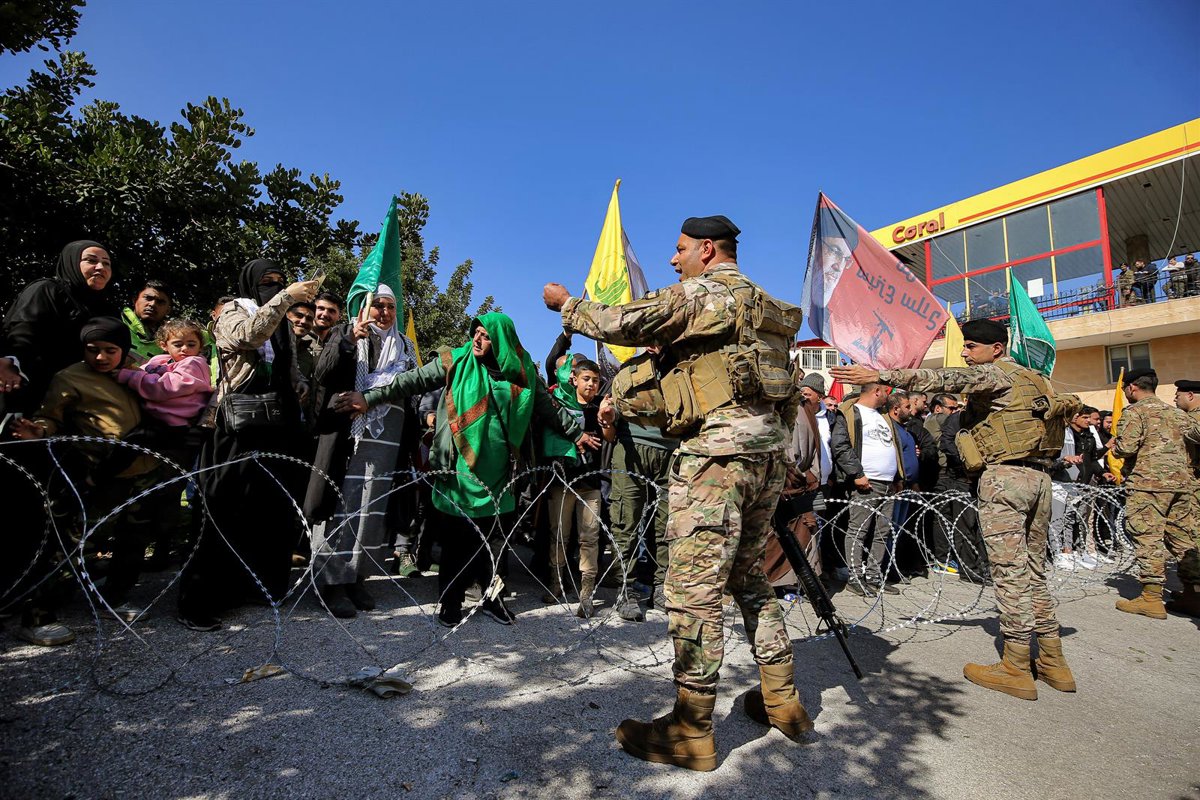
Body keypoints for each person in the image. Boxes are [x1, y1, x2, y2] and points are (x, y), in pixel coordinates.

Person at [543, 214, 806, 771]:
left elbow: (621, 322)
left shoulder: (704, 294)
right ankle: (783, 699)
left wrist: (567, 305)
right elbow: (788, 393)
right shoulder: (771, 311)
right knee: (750, 577)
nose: (672, 259)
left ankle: (692, 727)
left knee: (693, 590)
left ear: (707, 249)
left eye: (680, 249)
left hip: (715, 460)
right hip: (766, 457)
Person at [833, 318, 1082, 701]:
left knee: (1009, 572)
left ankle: (1016, 665)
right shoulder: (1035, 379)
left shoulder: (996, 374)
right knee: (1033, 570)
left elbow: (943, 379)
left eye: (971, 346)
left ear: (996, 348)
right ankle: (1053, 659)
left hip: (1006, 478)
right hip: (1040, 478)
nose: (965, 353)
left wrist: (880, 374)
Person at [333, 312, 583, 628]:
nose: (477, 339)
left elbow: (548, 410)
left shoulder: (523, 372)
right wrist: (369, 398)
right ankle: (450, 602)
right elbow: (411, 381)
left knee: (495, 547)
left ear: (501, 340)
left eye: (486, 335)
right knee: (457, 542)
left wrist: (578, 433)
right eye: (476, 332)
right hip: (460, 471)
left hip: (502, 475)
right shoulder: (456, 360)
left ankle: (493, 600)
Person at [176, 260, 318, 631]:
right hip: (236, 426)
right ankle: (199, 600)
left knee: (268, 509)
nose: (275, 286)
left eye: (281, 281)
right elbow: (246, 338)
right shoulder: (233, 311)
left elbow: (286, 364)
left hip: (277, 426)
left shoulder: (282, 323)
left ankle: (255, 587)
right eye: (267, 282)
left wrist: (299, 382)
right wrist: (285, 298)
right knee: (223, 507)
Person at [10, 318, 165, 629]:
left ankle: (113, 599)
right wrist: (38, 430)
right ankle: (39, 614)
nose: (101, 357)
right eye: (93, 350)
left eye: (110, 350)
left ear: (124, 350)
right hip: (102, 473)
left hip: (145, 469)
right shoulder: (71, 377)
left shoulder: (140, 370)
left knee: (133, 540)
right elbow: (50, 417)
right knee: (79, 542)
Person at [0, 240, 118, 646]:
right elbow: (19, 336)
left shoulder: (102, 309)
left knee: (58, 512)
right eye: (90, 260)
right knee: (28, 509)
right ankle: (28, 606)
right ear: (70, 262)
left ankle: (39, 603)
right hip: (27, 417)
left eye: (106, 263)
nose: (99, 267)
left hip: (72, 421)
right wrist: (9, 364)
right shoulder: (47, 291)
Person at [304, 285, 418, 618]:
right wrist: (349, 340)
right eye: (377, 305)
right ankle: (331, 583)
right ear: (364, 308)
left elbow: (412, 387)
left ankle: (356, 577)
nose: (384, 312)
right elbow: (322, 373)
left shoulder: (405, 346)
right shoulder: (345, 333)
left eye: (390, 307)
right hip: (349, 436)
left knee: (372, 507)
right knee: (344, 504)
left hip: (388, 438)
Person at [1106, 369, 1200, 620]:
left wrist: (1115, 447)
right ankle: (1194, 594)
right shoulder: (1178, 414)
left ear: (1132, 388)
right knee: (1183, 539)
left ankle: (1151, 598)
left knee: (1147, 537)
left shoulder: (1135, 412)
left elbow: (1127, 447)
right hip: (1181, 485)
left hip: (1148, 484)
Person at [540, 358, 614, 617]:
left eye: (596, 380)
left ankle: (587, 592)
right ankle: (557, 583)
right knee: (559, 534)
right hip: (563, 481)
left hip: (590, 483)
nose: (591, 384)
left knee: (589, 538)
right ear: (575, 380)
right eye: (586, 379)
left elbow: (609, 438)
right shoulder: (562, 404)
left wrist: (605, 419)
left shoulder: (600, 406)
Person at [830, 381, 904, 595]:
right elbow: (840, 446)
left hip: (888, 482)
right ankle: (855, 576)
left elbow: (893, 445)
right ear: (876, 391)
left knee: (882, 531)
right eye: (886, 391)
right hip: (867, 482)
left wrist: (898, 477)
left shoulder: (883, 416)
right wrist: (857, 474)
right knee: (859, 529)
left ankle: (874, 575)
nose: (888, 395)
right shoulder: (849, 413)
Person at [1171, 379, 1200, 615]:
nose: (1175, 399)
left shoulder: (1194, 420)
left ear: (1190, 395)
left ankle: (1194, 596)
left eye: (1178, 395)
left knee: (1191, 538)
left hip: (1194, 487)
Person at [122, 280, 173, 364]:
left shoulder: (172, 340)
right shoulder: (113, 323)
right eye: (148, 298)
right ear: (135, 300)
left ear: (168, 310)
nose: (152, 304)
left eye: (160, 302)